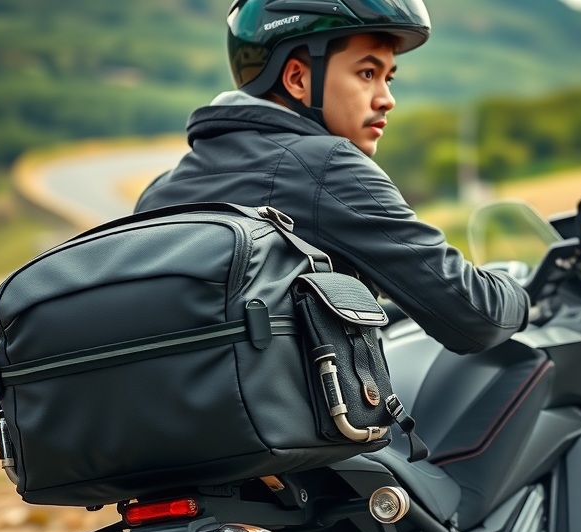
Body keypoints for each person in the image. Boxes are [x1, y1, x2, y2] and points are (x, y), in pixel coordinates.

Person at [135, 0, 528, 354]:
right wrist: (519, 287)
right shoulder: (327, 165)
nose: (386, 98)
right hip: (296, 434)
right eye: (367, 72)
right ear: (298, 80)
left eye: (388, 78)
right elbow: (476, 316)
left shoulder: (159, 190)